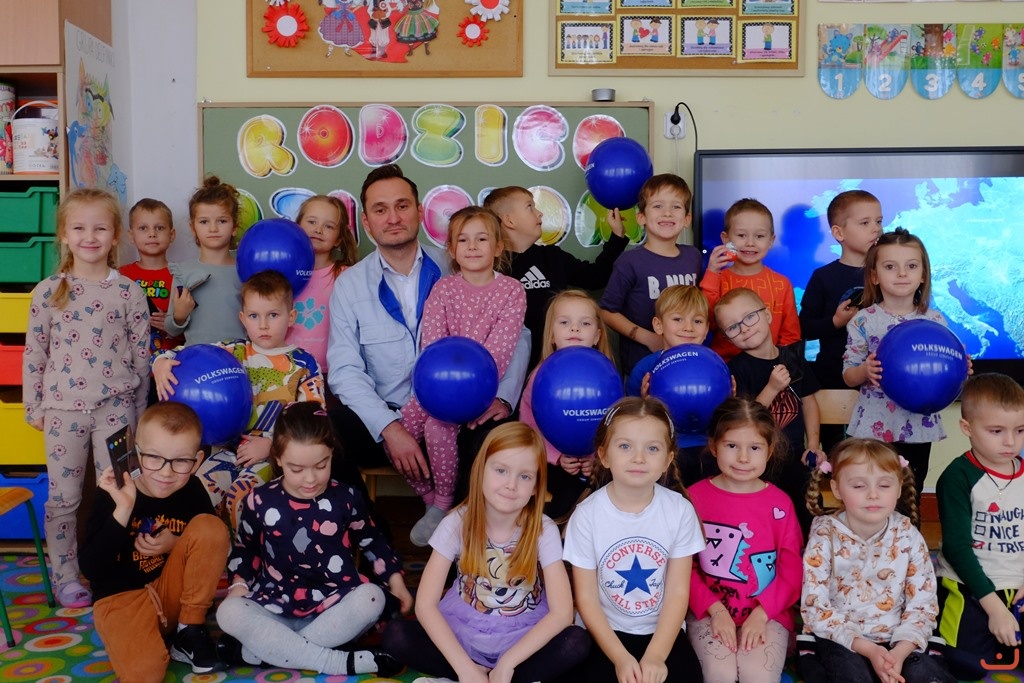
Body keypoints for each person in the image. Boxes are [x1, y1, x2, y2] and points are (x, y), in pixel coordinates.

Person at [326, 164, 529, 512]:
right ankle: (371, 533)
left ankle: (459, 534)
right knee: (326, 431)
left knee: (495, 438)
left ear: (419, 212)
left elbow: (518, 336)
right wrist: (390, 428)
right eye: (380, 209)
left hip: (462, 412)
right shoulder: (349, 285)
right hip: (390, 415)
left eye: (402, 205)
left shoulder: (460, 261)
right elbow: (344, 369)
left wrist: (502, 398)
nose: (393, 217)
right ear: (366, 222)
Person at [382, 422, 591, 682]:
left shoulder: (543, 529)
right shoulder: (456, 523)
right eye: (501, 470)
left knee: (577, 642)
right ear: (480, 471)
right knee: (396, 636)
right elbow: (425, 605)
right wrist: (464, 668)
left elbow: (562, 613)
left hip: (523, 636)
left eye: (525, 476)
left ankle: (501, 675)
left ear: (537, 486)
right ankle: (476, 674)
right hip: (464, 632)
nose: (511, 485)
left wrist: (508, 663)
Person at [22, 188, 151, 609]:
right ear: (64, 234)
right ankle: (65, 576)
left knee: (123, 489)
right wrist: (34, 406)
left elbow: (142, 357)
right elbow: (35, 353)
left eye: (100, 228)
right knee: (64, 499)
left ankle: (116, 567)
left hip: (116, 408)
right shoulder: (47, 291)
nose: (89, 237)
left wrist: (139, 413)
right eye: (79, 228)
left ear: (116, 236)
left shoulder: (129, 291)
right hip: (62, 411)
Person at [216, 403, 410, 676]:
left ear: (332, 454)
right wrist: (238, 584)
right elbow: (246, 549)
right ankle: (336, 661)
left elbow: (372, 541)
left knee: (372, 597)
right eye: (297, 469)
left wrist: (396, 581)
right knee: (228, 612)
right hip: (275, 604)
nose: (310, 479)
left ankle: (264, 653)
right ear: (278, 458)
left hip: (333, 606)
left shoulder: (346, 497)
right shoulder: (259, 500)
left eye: (321, 465)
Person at [154, 269, 325, 527]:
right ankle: (207, 546)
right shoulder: (233, 351)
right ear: (243, 318)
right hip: (227, 451)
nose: (263, 325)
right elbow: (185, 354)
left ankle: (243, 553)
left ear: (291, 317)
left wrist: (272, 446)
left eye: (273, 315)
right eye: (254, 316)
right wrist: (160, 362)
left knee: (240, 498)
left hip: (276, 456)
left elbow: (313, 421)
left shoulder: (304, 363)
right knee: (197, 491)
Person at [398, 205, 526, 545]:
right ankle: (429, 499)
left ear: (498, 247)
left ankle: (443, 504)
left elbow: (501, 349)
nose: (472, 246)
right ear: (452, 250)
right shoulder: (444, 289)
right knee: (399, 431)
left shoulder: (511, 290)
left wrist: (472, 390)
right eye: (463, 240)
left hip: (479, 388)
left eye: (481, 239)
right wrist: (440, 387)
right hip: (438, 386)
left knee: (436, 428)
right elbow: (432, 342)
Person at [80, 402, 230, 681]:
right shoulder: (111, 494)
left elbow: (213, 544)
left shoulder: (192, 489)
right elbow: (91, 569)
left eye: (180, 461)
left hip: (173, 596)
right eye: (153, 458)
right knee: (144, 674)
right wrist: (123, 509)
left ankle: (189, 630)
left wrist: (175, 543)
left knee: (212, 526)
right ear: (136, 454)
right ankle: (159, 638)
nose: (165, 472)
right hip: (121, 601)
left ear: (197, 461)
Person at [563, 396, 706, 682]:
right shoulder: (587, 515)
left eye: (652, 448)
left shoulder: (679, 511)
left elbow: (678, 592)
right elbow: (586, 597)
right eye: (625, 446)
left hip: (662, 633)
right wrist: (620, 657)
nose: (638, 458)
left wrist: (656, 655)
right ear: (604, 455)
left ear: (668, 459)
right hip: (604, 633)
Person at [800, 438, 955, 683]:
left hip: (898, 639)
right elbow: (815, 607)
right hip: (844, 638)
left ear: (899, 487)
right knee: (852, 676)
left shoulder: (908, 534)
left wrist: (899, 653)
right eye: (859, 486)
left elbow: (922, 605)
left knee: (926, 675)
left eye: (884, 485)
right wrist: (870, 650)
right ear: (837, 489)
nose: (873, 494)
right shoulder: (824, 536)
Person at [686, 397, 802, 683]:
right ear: (714, 446)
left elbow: (791, 572)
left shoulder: (780, 504)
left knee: (757, 675)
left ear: (769, 450)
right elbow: (683, 568)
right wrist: (716, 611)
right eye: (731, 446)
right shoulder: (692, 499)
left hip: (768, 614)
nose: (743, 458)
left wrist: (762, 614)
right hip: (708, 611)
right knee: (720, 674)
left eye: (754, 448)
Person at [842, 228, 951, 497]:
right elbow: (848, 374)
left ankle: (909, 527)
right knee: (873, 490)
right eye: (890, 266)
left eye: (911, 266)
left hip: (918, 425)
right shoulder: (863, 320)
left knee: (911, 490)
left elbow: (948, 368)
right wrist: (864, 371)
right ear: (874, 276)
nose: (902, 273)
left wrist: (961, 370)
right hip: (875, 425)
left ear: (923, 274)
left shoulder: (935, 321)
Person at [934, 373, 1024, 679]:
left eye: (1020, 430)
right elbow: (957, 549)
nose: (1010, 442)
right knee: (965, 665)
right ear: (967, 428)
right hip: (971, 587)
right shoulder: (957, 477)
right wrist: (995, 609)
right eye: (996, 431)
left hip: (1018, 586)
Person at [715, 287, 824, 532]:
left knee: (807, 512)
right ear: (727, 337)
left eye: (749, 317)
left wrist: (813, 444)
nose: (744, 328)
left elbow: (808, 402)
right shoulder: (736, 369)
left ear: (767, 314)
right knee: (762, 518)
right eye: (733, 327)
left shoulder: (793, 358)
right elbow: (744, 420)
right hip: (758, 460)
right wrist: (772, 388)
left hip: (796, 454)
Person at [484, 185, 628, 368]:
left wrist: (617, 237)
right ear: (509, 220)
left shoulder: (553, 256)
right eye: (530, 207)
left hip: (557, 363)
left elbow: (595, 277)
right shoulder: (492, 267)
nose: (540, 213)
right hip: (510, 367)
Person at [519, 289, 614, 520]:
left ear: (597, 336)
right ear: (551, 335)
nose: (575, 328)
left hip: (598, 461)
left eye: (585, 323)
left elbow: (614, 424)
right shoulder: (541, 376)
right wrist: (557, 457)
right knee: (562, 500)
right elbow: (529, 424)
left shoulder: (606, 374)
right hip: (552, 462)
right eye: (564, 322)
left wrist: (597, 457)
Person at [800, 190, 883, 451]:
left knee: (877, 455)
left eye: (879, 221)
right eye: (865, 223)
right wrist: (835, 322)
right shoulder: (823, 277)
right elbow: (804, 327)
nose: (876, 229)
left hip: (879, 379)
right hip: (832, 377)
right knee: (837, 452)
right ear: (839, 233)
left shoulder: (886, 274)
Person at [599, 174, 702, 375]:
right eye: (658, 206)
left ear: (687, 219)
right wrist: (647, 338)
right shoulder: (629, 262)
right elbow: (607, 311)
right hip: (642, 365)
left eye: (676, 207)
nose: (667, 213)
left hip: (687, 362)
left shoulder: (694, 257)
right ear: (641, 217)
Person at [625, 284, 715, 486]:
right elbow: (630, 422)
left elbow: (726, 419)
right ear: (658, 325)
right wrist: (646, 405)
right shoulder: (645, 369)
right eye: (677, 319)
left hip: (708, 450)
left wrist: (728, 398)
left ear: (706, 329)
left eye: (697, 321)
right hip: (663, 451)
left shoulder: (716, 366)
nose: (688, 327)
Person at [700, 198, 801, 362]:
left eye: (759, 236)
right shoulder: (717, 279)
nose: (750, 243)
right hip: (725, 367)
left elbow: (791, 335)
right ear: (726, 239)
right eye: (741, 235)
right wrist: (712, 273)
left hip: (770, 369)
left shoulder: (782, 284)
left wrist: (783, 367)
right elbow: (706, 322)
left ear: (771, 241)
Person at [165, 176, 245, 345]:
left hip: (238, 356)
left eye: (222, 221)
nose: (213, 228)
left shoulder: (246, 271)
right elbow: (171, 330)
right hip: (198, 356)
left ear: (234, 227)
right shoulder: (183, 272)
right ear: (193, 228)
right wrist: (179, 315)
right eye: (204, 222)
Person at [285, 194, 358, 376]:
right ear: (297, 227)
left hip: (331, 373)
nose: (318, 230)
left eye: (329, 226)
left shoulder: (347, 276)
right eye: (311, 222)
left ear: (339, 239)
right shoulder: (282, 273)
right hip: (285, 370)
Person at [120, 198, 185, 356]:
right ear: (131, 235)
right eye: (143, 228)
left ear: (171, 235)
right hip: (130, 363)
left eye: (159, 228)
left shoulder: (183, 275)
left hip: (173, 360)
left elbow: (196, 326)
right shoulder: (120, 276)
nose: (152, 234)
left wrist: (173, 323)